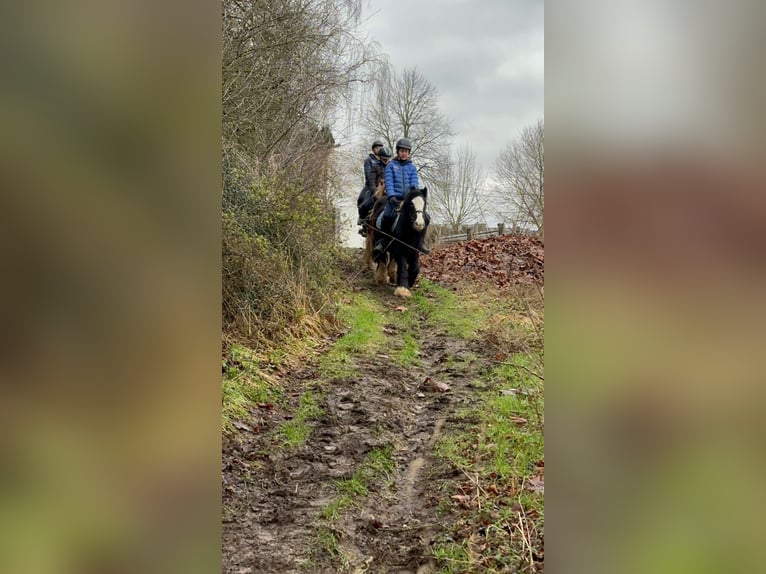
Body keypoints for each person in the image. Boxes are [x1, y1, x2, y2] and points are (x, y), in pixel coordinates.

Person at [373, 137, 430, 256]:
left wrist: (412, 197)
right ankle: (383, 241)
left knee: (426, 217)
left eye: (406, 151)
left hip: (408, 200)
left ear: (409, 153)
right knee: (386, 216)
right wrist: (391, 196)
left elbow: (414, 184)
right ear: (398, 152)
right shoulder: (391, 166)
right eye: (402, 151)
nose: (404, 153)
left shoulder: (412, 168)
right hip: (394, 199)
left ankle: (420, 242)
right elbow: (389, 181)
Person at [357, 139, 385, 232]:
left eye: (380, 147)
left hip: (384, 185)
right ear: (373, 149)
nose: (378, 149)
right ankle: (363, 221)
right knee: (362, 200)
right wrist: (375, 185)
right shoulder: (369, 160)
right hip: (371, 185)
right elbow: (368, 174)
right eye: (376, 148)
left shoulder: (384, 160)